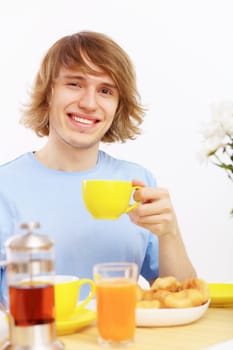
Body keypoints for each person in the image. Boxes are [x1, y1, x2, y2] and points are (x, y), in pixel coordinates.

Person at [0, 31, 196, 305]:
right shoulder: (5, 187)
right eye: (75, 83)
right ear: (49, 93)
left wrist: (169, 233)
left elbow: (183, 298)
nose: (89, 103)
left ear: (118, 106)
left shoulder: (137, 182)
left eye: (105, 90)